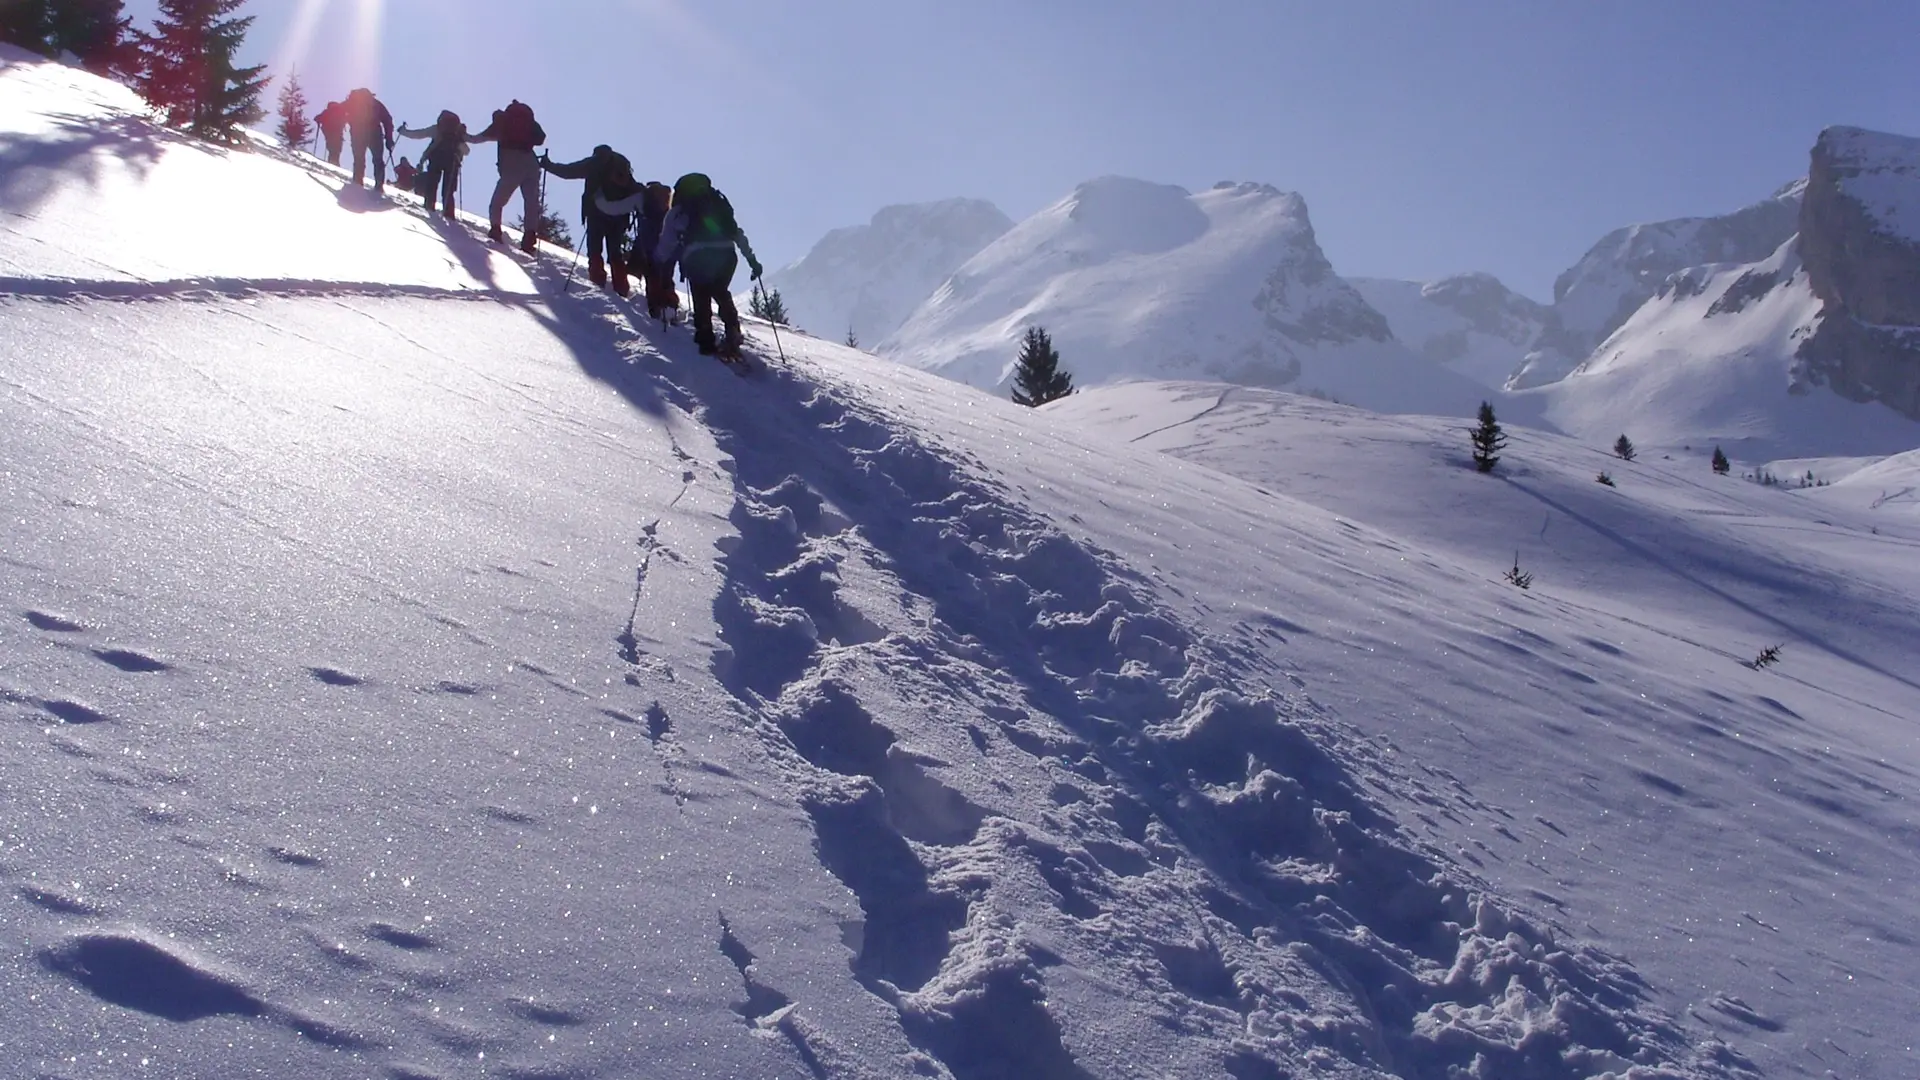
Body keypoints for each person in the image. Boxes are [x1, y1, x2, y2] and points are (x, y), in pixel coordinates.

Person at [651, 173, 761, 357]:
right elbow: (736, 232)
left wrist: (657, 260)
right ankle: (732, 328)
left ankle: (706, 339)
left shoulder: (678, 212)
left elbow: (667, 244)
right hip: (727, 254)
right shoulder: (718, 204)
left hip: (697, 256)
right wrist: (752, 260)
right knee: (720, 290)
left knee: (701, 295)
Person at [541, 144, 639, 295]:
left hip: (596, 213)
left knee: (594, 249)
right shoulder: (622, 167)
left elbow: (569, 171)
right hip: (618, 217)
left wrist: (548, 165)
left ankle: (597, 282)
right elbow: (633, 188)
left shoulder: (594, 163)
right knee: (615, 252)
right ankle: (621, 288)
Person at [471, 100, 545, 252]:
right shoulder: (528, 122)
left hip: (512, 164)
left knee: (497, 202)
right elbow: (541, 138)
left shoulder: (501, 122)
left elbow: (478, 138)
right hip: (531, 163)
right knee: (531, 203)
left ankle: (496, 230)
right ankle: (529, 238)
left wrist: (462, 135)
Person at [396, 110, 470, 219]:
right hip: (452, 162)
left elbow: (418, 134)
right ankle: (449, 215)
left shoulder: (437, 129)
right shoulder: (457, 134)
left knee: (432, 185)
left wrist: (403, 131)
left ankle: (429, 208)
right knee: (448, 190)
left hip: (436, 159)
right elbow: (467, 151)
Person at [342, 87, 395, 192]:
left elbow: (338, 111)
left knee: (359, 159)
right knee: (378, 159)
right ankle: (379, 186)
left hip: (357, 133)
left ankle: (357, 182)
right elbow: (387, 120)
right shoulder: (375, 103)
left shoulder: (352, 102)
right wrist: (389, 138)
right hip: (375, 133)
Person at [313, 100, 347, 166]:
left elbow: (316, 118)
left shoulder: (327, 112)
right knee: (336, 151)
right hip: (338, 134)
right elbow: (346, 120)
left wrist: (320, 121)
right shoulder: (340, 112)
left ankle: (332, 164)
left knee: (332, 150)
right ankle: (335, 165)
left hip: (329, 134)